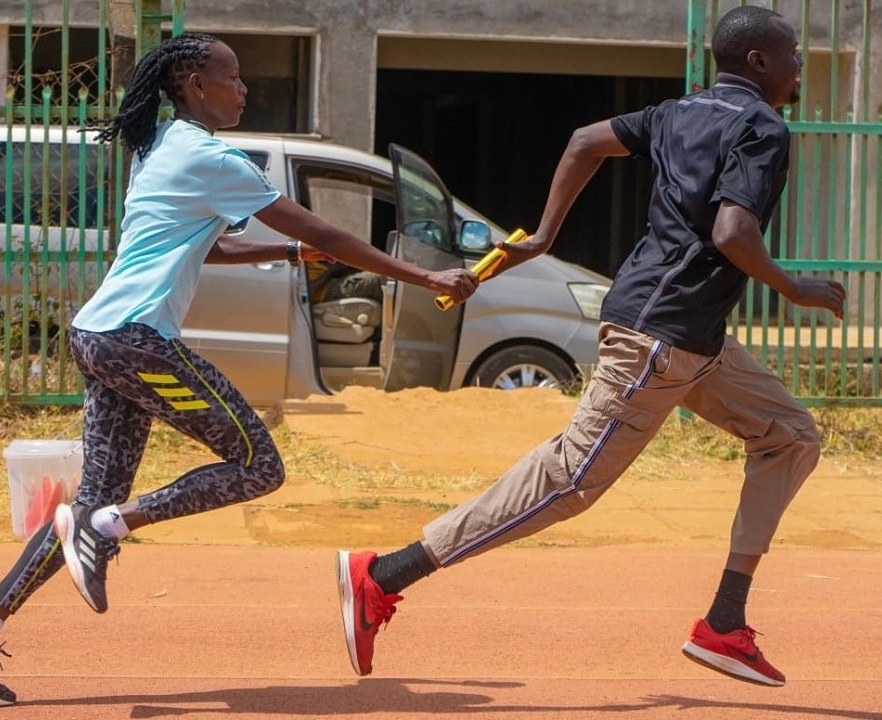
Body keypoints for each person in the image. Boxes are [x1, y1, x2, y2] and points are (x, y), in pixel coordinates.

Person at [0, 32, 478, 707]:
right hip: (134, 339)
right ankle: (107, 527)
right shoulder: (214, 157)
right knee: (257, 465)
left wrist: (276, 257)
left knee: (91, 510)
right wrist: (425, 274)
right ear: (193, 84)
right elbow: (325, 231)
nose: (243, 88)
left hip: (99, 336)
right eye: (233, 76)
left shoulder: (165, 148)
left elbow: (204, 247)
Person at [336, 6, 845, 688]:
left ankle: (725, 622)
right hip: (659, 338)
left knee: (789, 435)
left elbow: (583, 141)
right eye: (791, 55)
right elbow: (732, 231)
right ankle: (384, 574)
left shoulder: (674, 113)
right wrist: (794, 287)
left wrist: (546, 234)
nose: (798, 67)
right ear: (758, 62)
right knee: (570, 481)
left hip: (687, 337)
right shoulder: (762, 126)